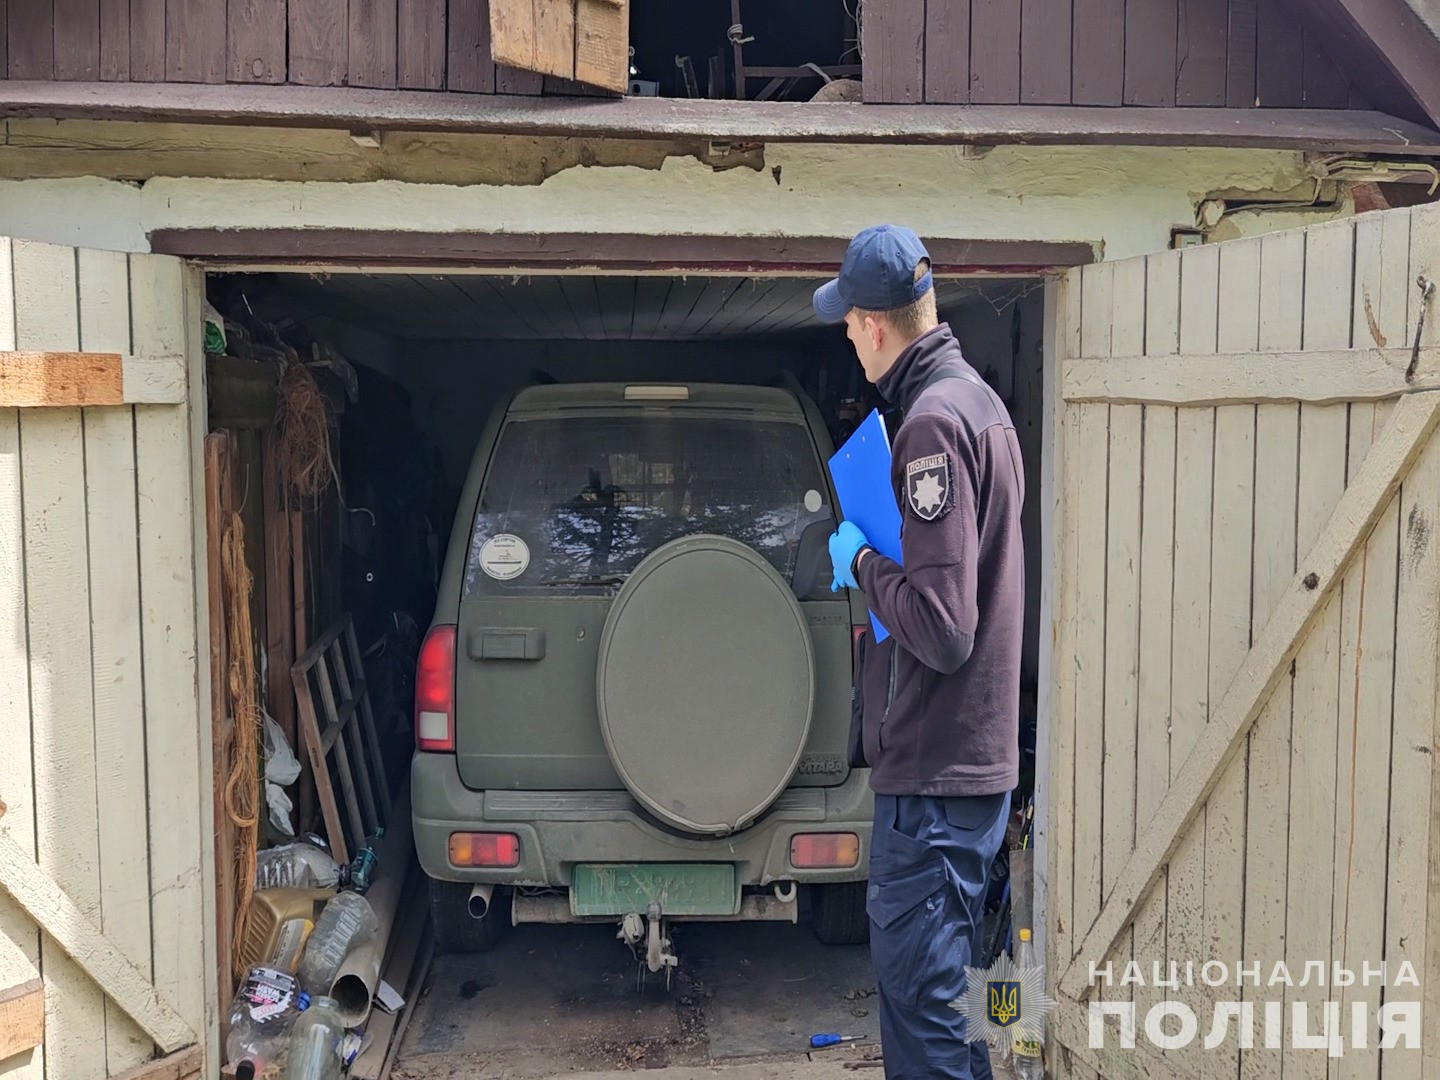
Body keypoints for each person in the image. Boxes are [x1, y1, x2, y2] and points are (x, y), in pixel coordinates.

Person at [814, 225, 1024, 1080]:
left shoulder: (931, 427)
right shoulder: (980, 405)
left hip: (935, 784)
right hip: (972, 775)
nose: (849, 339)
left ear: (873, 326)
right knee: (962, 1013)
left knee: (926, 1021)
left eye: (848, 324)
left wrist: (864, 561)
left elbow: (942, 627)